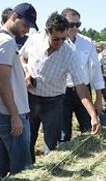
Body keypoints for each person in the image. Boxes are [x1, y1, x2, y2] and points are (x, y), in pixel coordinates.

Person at [20, 12, 101, 163]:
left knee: (52, 144)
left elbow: (81, 87)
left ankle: (48, 172)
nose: (60, 43)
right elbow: (22, 56)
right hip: (30, 98)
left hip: (53, 102)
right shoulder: (34, 40)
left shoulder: (69, 54)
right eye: (56, 39)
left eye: (64, 39)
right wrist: (26, 71)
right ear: (47, 32)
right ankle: (28, 171)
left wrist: (93, 116)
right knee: (27, 141)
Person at [0, 3, 33, 181]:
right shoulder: (6, 41)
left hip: (4, 110)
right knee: (21, 169)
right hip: (9, 113)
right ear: (14, 16)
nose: (26, 29)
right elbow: (3, 81)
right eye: (25, 24)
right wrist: (15, 115)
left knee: (3, 163)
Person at [60, 7, 105, 142]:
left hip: (84, 92)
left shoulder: (87, 43)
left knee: (89, 129)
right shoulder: (57, 42)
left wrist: (98, 98)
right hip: (62, 93)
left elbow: (96, 70)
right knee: (63, 135)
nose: (74, 28)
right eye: (71, 24)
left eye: (77, 24)